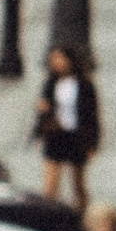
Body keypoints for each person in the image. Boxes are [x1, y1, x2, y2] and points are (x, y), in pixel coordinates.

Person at [31, 41, 99, 206]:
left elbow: (92, 115)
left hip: (76, 135)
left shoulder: (84, 85)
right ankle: (49, 213)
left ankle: (81, 212)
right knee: (50, 185)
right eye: (54, 60)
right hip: (56, 134)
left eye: (61, 59)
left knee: (78, 183)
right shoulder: (51, 84)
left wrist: (93, 143)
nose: (58, 63)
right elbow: (43, 109)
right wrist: (38, 131)